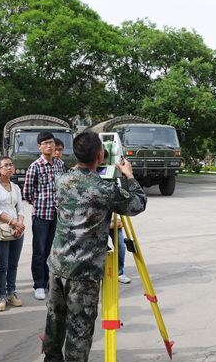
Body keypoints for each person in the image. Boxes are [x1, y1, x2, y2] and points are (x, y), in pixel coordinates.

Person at [43, 131, 147, 362]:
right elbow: (138, 204)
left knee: (55, 319)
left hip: (58, 264)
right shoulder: (106, 190)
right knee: (79, 328)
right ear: (101, 155)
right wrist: (128, 176)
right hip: (84, 271)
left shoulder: (61, 179)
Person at [24, 132, 65, 300]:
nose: (50, 145)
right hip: (41, 215)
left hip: (57, 214)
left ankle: (50, 282)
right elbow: (27, 192)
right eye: (45, 143)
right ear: (39, 146)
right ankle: (39, 285)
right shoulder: (35, 166)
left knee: (53, 251)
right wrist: (40, 202)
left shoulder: (60, 165)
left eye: (52, 142)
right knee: (39, 252)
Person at [0, 156, 25, 312]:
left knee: (13, 264)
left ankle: (11, 293)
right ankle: (1, 296)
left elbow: (21, 208)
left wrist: (20, 225)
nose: (10, 168)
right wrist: (15, 223)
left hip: (17, 230)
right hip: (1, 229)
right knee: (2, 265)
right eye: (6, 165)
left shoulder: (15, 187)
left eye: (11, 165)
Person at [109, 217, 131, 284]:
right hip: (97, 220)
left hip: (113, 221)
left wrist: (117, 217)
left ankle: (119, 273)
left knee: (121, 247)